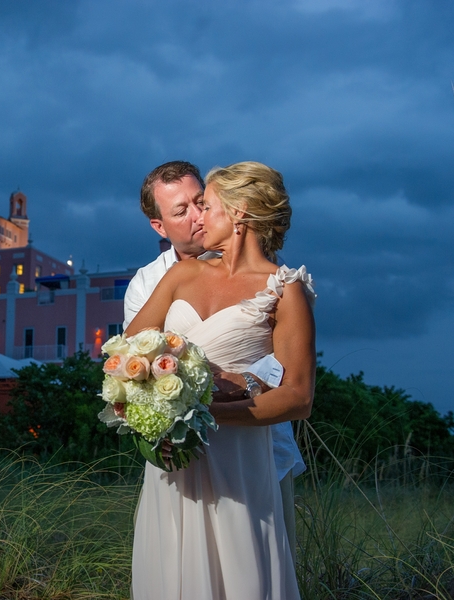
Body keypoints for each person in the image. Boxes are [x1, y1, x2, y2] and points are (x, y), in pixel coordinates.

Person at [127, 161, 316, 599]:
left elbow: (298, 395)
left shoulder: (285, 290)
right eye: (186, 209)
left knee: (243, 575)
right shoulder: (175, 276)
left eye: (205, 205)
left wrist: (208, 410)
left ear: (239, 213)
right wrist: (165, 412)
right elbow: (130, 353)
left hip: (245, 462)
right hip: (173, 461)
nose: (197, 217)